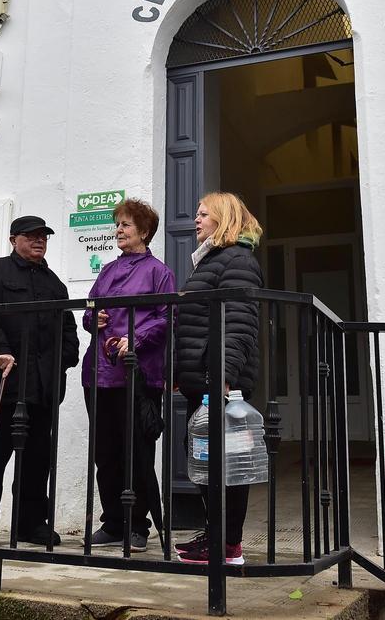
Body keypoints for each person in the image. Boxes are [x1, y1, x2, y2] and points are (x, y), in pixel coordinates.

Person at [0, 215, 80, 547]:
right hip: (4, 383)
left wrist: (63, 361)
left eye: (43, 236)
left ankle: (31, 524)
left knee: (36, 461)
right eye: (31, 236)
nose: (38, 241)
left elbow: (68, 329)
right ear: (14, 239)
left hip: (43, 389)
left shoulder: (54, 283)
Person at [172, 192, 264, 566]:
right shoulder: (213, 260)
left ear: (223, 219)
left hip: (219, 382)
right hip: (201, 379)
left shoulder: (237, 260)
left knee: (224, 462)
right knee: (205, 458)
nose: (195, 220)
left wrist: (222, 377)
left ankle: (227, 546)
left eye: (203, 214)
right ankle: (218, 537)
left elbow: (238, 323)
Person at [81, 199, 176, 552]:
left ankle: (138, 525)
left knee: (136, 452)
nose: (119, 230)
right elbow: (89, 311)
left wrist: (134, 339)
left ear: (144, 231)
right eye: (117, 224)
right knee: (104, 452)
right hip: (98, 373)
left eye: (126, 225)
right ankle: (112, 522)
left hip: (137, 375)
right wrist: (94, 320)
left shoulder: (158, 271)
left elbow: (167, 318)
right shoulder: (106, 271)